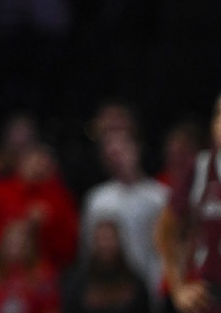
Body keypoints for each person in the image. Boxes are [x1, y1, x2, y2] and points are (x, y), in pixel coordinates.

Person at [79, 130, 167, 298]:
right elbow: (88, 249)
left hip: (150, 283)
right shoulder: (97, 199)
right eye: (112, 150)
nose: (119, 155)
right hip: (109, 289)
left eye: (124, 148)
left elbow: (165, 250)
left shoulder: (159, 197)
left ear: (137, 149)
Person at [154, 93, 221, 313]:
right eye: (218, 114)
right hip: (210, 297)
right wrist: (178, 286)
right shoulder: (201, 168)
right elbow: (165, 231)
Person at [0, 221, 59, 313]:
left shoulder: (42, 277)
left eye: (21, 242)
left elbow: (51, 308)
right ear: (1, 244)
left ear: (30, 245)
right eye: (11, 242)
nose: (16, 247)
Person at [62, 218, 150, 313]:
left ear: (119, 242)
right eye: (102, 239)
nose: (106, 245)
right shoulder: (77, 284)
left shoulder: (135, 284)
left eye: (110, 239)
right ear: (93, 243)